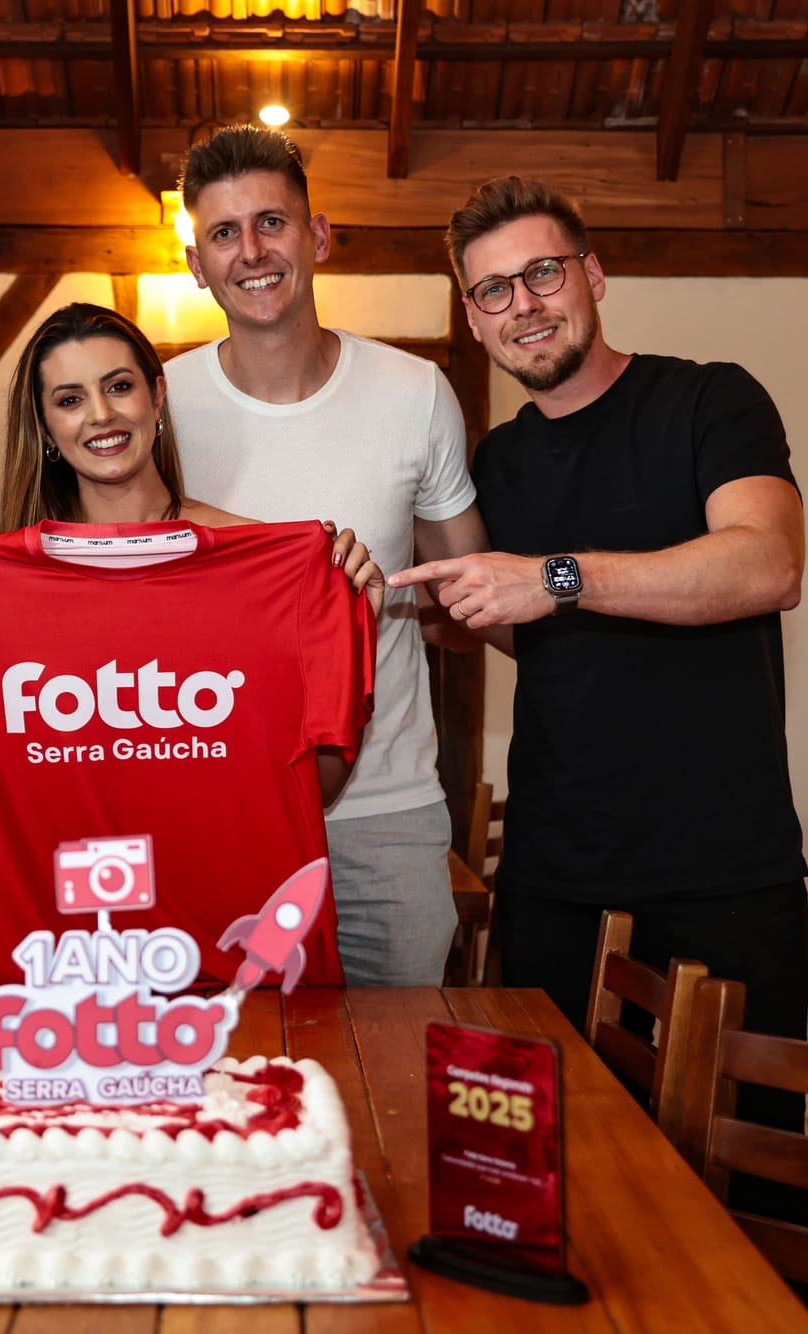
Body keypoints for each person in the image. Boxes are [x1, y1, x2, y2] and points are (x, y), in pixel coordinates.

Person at [390, 176, 808, 1315]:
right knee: (554, 1190)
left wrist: (557, 575)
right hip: (555, 878)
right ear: (473, 315)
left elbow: (766, 564)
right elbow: (521, 628)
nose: (522, 304)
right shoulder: (495, 464)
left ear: (591, 274)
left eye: (541, 272)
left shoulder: (708, 399)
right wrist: (434, 610)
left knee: (755, 1196)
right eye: (492, 290)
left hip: (725, 874)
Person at [0, 302, 381, 987]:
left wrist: (349, 623)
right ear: (45, 428)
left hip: (242, 980)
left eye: (119, 386)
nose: (100, 415)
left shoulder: (275, 570)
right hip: (54, 986)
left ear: (157, 397)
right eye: (70, 399)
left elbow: (312, 790)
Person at [161, 125, 490, 987]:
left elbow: (465, 602)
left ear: (319, 236)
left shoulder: (415, 392)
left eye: (272, 222)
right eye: (224, 233)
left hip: (387, 813)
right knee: (232, 1062)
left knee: (397, 1060)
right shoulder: (160, 407)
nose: (251, 251)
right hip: (216, 813)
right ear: (196, 265)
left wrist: (375, 608)